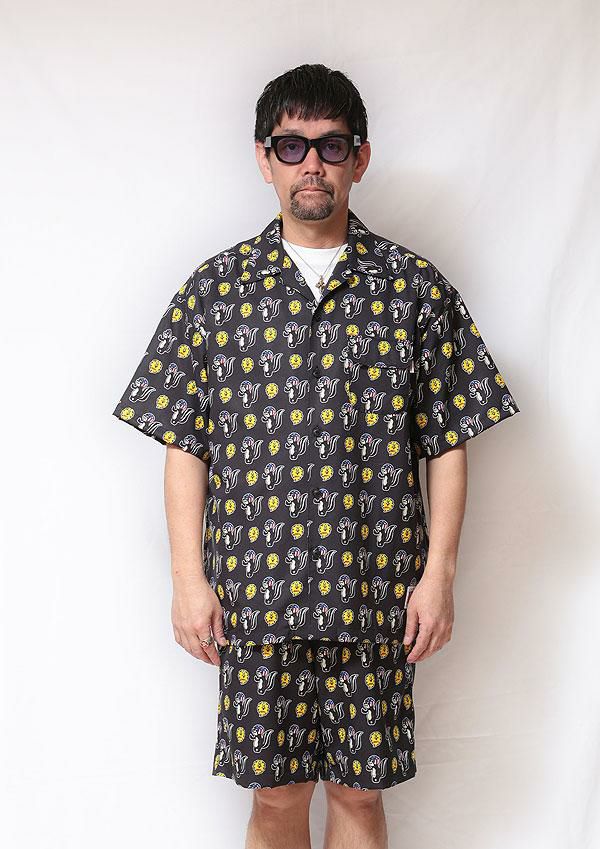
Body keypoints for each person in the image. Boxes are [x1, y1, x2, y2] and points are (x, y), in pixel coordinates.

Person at [112, 63, 520, 849]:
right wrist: (188, 580)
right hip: (255, 599)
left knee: (360, 794)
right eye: (291, 145)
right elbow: (184, 442)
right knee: (276, 795)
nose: (311, 164)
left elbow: (448, 439)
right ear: (263, 158)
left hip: (375, 595)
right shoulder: (216, 292)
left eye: (331, 146)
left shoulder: (414, 289)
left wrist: (439, 575)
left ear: (359, 158)